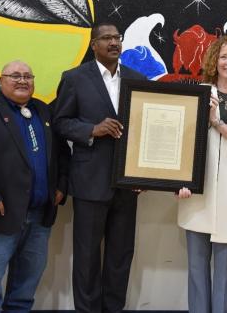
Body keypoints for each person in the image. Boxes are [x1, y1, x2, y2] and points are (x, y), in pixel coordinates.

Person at [0, 60, 69, 312]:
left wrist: (61, 186)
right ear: (1, 81)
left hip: (39, 216)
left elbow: (62, 153)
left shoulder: (44, 111)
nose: (22, 81)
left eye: (27, 76)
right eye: (15, 76)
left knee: (25, 288)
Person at [53, 22, 147, 313]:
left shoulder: (137, 78)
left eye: (117, 38)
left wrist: (146, 172)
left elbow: (147, 130)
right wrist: (92, 129)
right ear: (93, 45)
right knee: (87, 258)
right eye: (106, 38)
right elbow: (60, 122)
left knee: (121, 257)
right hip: (89, 180)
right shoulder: (74, 78)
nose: (113, 42)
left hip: (128, 183)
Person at [176, 36, 227, 313]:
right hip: (196, 192)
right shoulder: (198, 91)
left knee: (225, 268)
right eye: (223, 57)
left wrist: (216, 123)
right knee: (197, 268)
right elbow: (183, 142)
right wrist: (181, 183)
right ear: (214, 60)